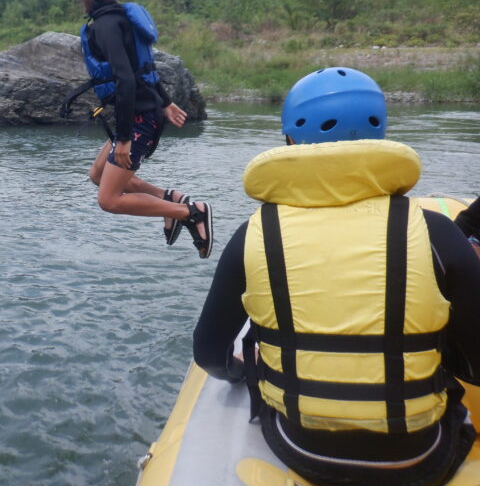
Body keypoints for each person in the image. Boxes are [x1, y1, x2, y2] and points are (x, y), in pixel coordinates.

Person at [192, 67, 480, 485]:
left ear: (289, 139)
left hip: (301, 447)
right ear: (379, 138)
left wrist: (238, 371)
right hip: (421, 455)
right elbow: (475, 367)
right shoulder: (435, 232)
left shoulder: (255, 233)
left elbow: (208, 354)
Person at [65, 0, 213, 258]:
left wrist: (122, 138)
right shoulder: (119, 19)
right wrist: (166, 101)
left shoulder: (106, 24)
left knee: (109, 199)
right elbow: (142, 68)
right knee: (96, 175)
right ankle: (170, 199)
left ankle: (192, 213)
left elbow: (125, 80)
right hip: (143, 114)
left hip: (136, 121)